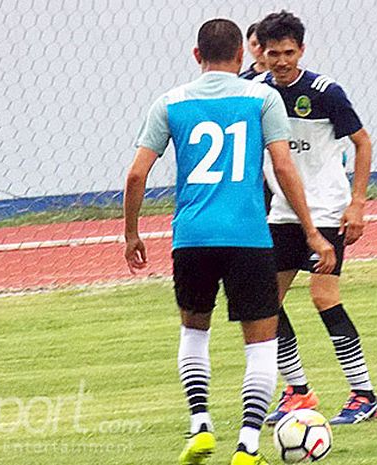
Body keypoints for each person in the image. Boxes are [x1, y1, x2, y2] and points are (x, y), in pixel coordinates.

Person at [123, 18, 335, 465]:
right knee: (260, 344)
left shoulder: (169, 102)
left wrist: (132, 233)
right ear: (243, 55)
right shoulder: (262, 98)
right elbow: (282, 167)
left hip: (192, 238)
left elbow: (136, 173)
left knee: (194, 332)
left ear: (196, 56)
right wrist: (311, 231)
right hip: (249, 237)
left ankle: (200, 425)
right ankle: (248, 444)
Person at [254, 11, 377, 425]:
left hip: (326, 209)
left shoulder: (324, 92)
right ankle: (298, 391)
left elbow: (362, 143)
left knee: (323, 296)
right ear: (262, 52)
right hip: (281, 212)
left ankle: (364, 395)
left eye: (289, 52)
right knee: (264, 303)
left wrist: (358, 203)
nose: (281, 61)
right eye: (273, 53)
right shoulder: (254, 92)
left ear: (302, 50)